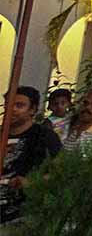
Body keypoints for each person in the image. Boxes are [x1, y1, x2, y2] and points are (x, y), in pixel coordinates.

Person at [1, 87, 63, 223]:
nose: (13, 109)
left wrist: (33, 182)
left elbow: (60, 171)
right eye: (9, 105)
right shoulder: (2, 134)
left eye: (19, 105)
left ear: (33, 110)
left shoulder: (44, 136)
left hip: (20, 212)